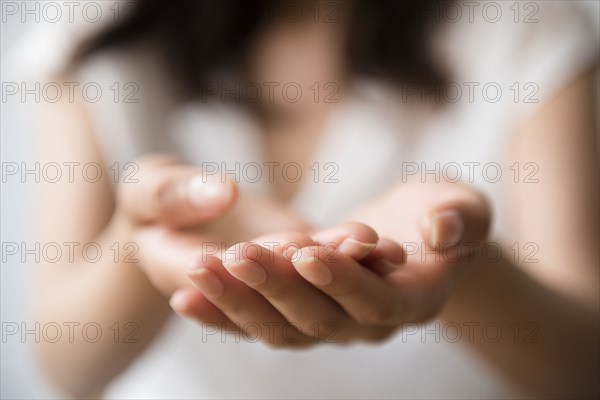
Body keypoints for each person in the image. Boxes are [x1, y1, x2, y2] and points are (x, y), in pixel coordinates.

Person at [24, 0, 598, 398]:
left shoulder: (524, 24)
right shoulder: (97, 33)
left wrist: (466, 266)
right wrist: (137, 246)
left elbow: (586, 366)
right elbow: (63, 364)